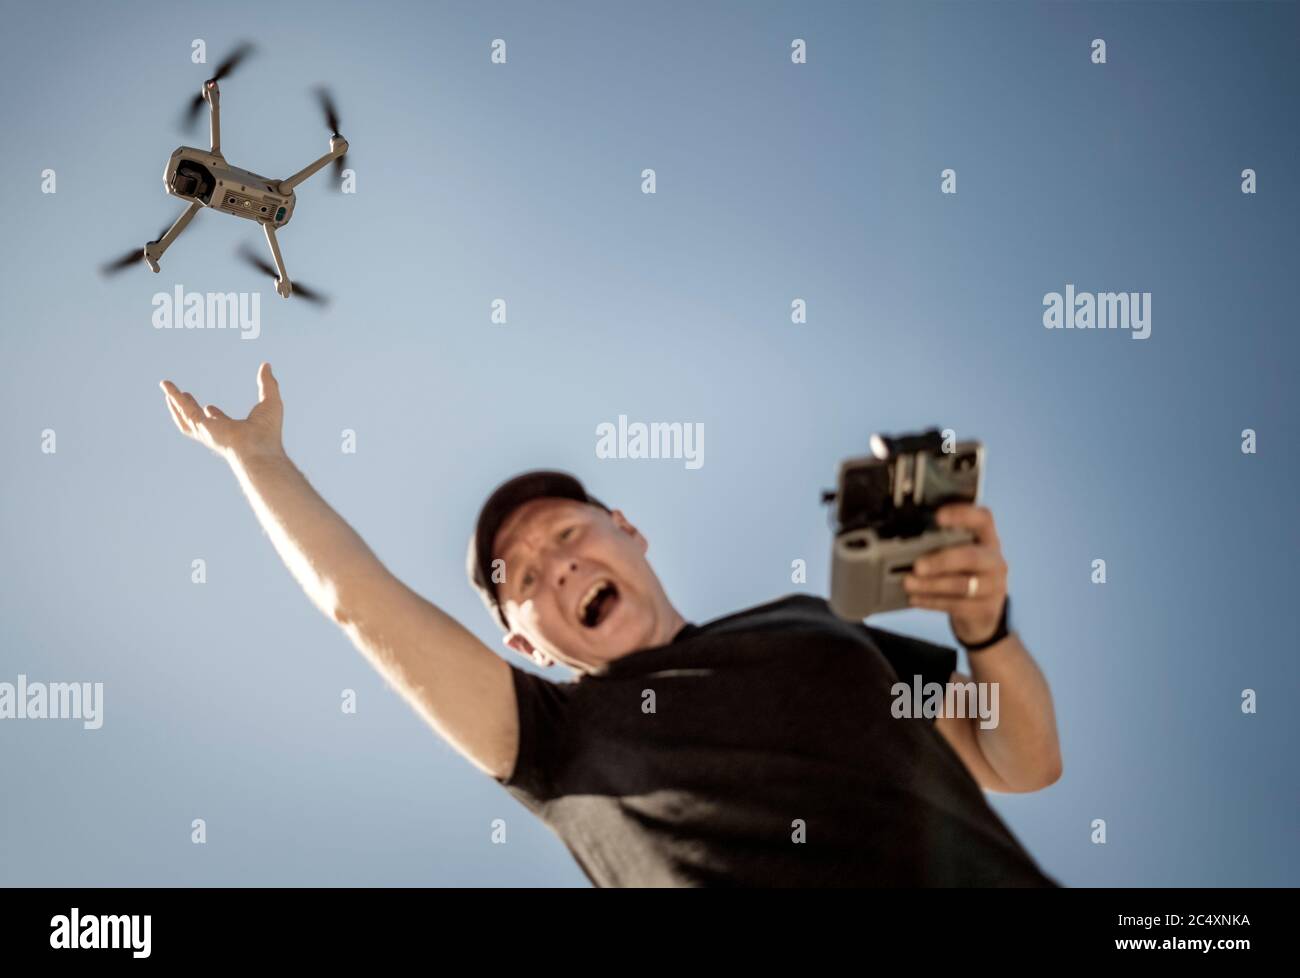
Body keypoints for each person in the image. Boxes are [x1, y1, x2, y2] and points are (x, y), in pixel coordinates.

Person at [159, 363, 1063, 887]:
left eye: (568, 532)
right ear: (526, 645)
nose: (559, 566)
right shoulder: (556, 741)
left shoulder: (815, 626)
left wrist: (989, 636)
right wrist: (258, 461)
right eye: (523, 578)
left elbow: (1019, 762)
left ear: (626, 530)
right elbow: (358, 601)